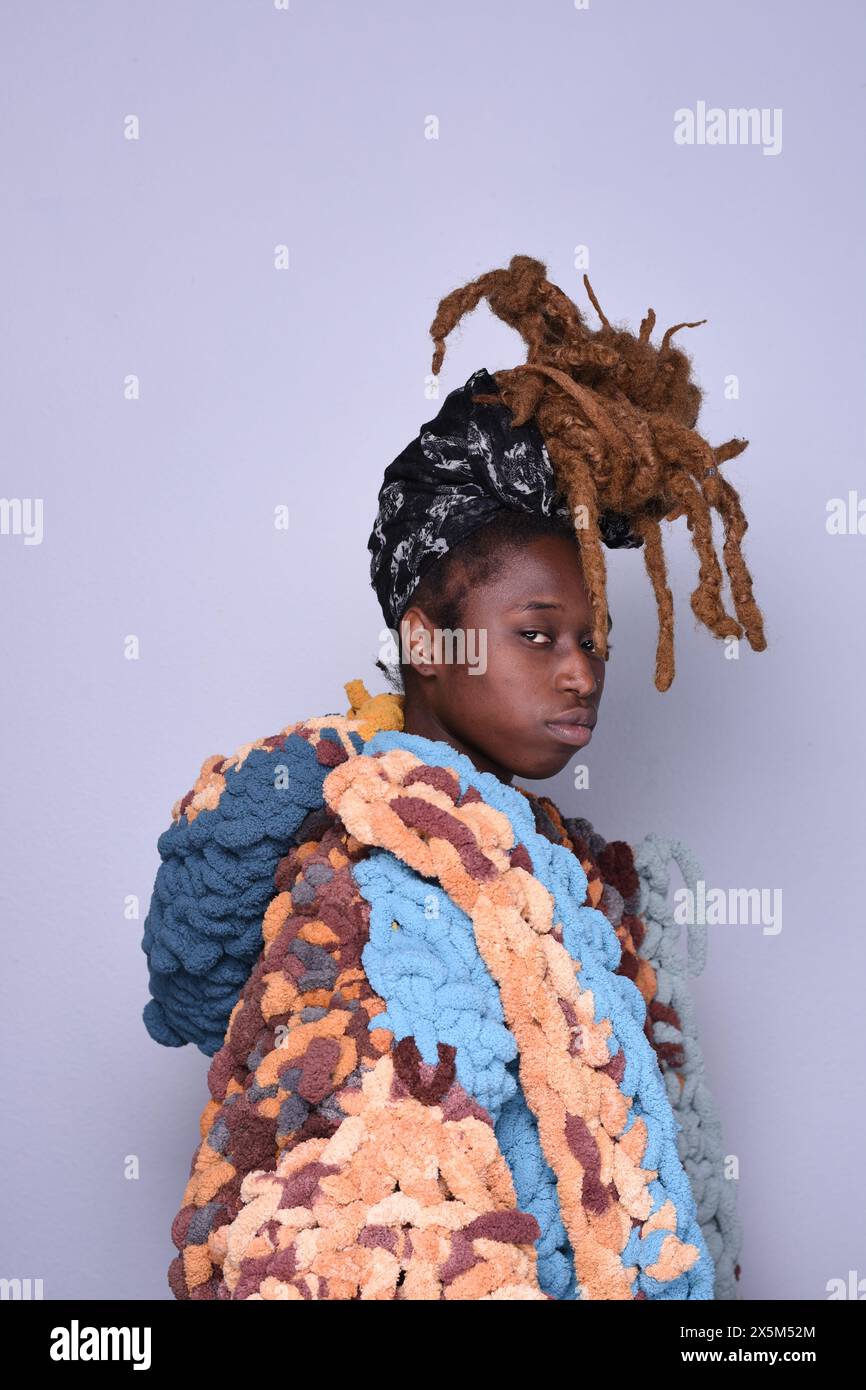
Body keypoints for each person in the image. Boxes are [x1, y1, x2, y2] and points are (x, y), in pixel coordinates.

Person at [144, 255, 766, 1300]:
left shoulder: (556, 878)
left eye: (595, 641)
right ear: (429, 644)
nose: (578, 672)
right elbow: (336, 1237)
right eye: (536, 635)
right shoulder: (371, 892)